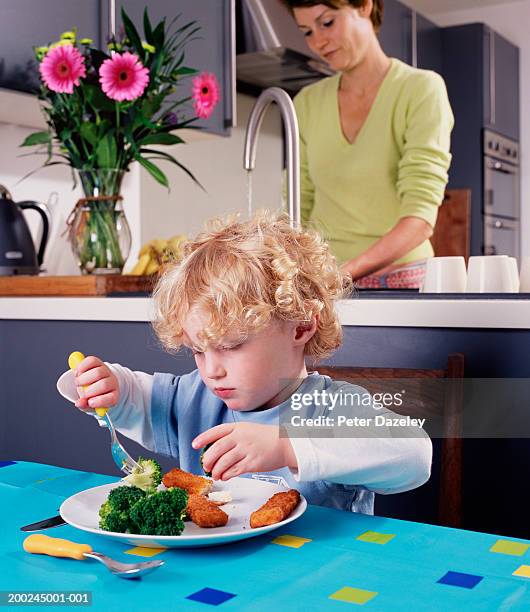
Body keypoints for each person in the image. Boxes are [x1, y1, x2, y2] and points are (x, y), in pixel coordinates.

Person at [63, 213, 432, 513]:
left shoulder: (329, 408)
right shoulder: (194, 398)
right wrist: (108, 384)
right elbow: (134, 397)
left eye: (231, 345)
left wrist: (287, 446)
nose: (211, 370)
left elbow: (414, 455)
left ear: (301, 325)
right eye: (198, 350)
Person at [281, 0, 454, 288]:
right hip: (327, 282)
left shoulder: (420, 89)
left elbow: (420, 216)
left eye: (327, 23)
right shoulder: (306, 103)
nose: (319, 41)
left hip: (404, 279)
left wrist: (343, 274)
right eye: (307, 32)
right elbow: (298, 208)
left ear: (364, 6)